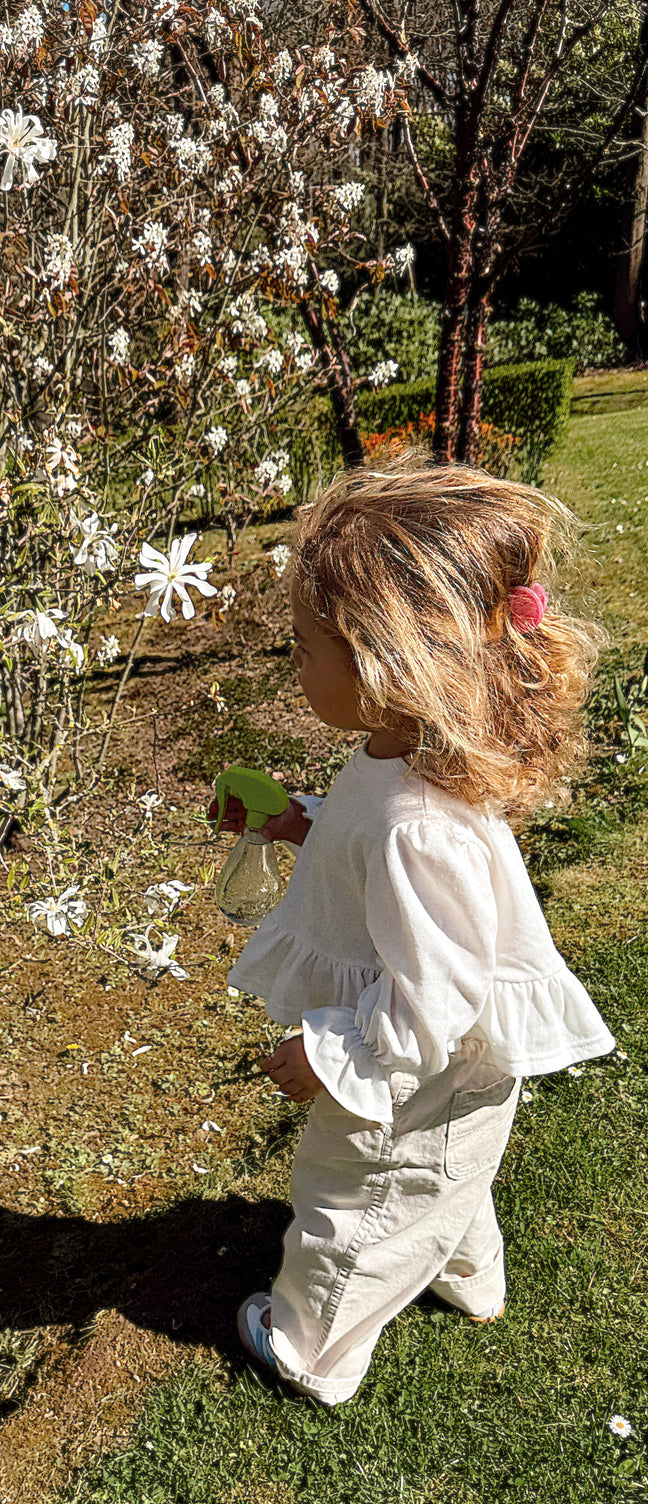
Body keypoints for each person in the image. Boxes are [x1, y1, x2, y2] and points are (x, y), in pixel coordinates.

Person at [209, 460, 615, 1407]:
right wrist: (301, 823)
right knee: (442, 1177)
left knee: (356, 1197)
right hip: (451, 1066)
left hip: (420, 1062)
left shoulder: (416, 824)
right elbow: (377, 857)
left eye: (306, 647)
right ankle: (470, 1280)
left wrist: (336, 1054)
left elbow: (436, 995)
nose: (294, 663)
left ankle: (311, 1351)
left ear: (384, 666)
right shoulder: (404, 759)